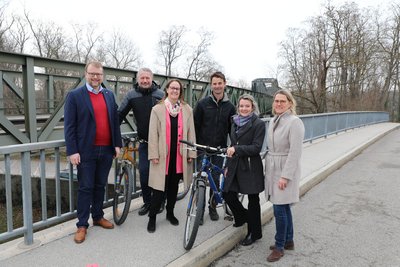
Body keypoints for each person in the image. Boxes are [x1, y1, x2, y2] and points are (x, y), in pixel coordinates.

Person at [64, 61, 122, 244]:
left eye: (98, 74)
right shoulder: (75, 96)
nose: (95, 77)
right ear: (86, 74)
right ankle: (82, 224)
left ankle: (97, 216)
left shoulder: (109, 95)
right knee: (85, 187)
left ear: (102, 76)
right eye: (92, 74)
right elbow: (69, 126)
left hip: (106, 149)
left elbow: (115, 122)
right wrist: (72, 150)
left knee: (100, 185)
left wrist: (117, 144)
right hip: (86, 151)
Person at [146, 79, 196, 233]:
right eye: (172, 88)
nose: (175, 91)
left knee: (174, 187)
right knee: (159, 189)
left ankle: (170, 213)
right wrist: (153, 154)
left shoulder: (187, 109)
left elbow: (191, 132)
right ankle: (152, 217)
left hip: (179, 155)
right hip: (162, 156)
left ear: (180, 92)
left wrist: (191, 153)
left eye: (178, 89)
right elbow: (152, 134)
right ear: (167, 89)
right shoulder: (157, 109)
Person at [265, 89, 305, 262]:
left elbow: (295, 152)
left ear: (290, 103)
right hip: (273, 166)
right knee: (284, 207)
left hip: (284, 169)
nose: (279, 104)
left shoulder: (295, 122)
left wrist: (285, 176)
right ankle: (289, 240)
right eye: (276, 101)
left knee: (279, 208)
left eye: (283, 101)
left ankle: (279, 246)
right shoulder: (274, 120)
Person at [118, 68, 164, 216]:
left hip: (161, 143)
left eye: (147, 78)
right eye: (142, 78)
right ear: (138, 80)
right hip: (144, 143)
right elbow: (119, 114)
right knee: (144, 173)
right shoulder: (132, 95)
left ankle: (160, 202)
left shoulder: (161, 95)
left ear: (152, 79)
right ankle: (147, 203)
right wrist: (112, 134)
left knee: (159, 175)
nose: (144, 81)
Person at [193, 71, 236, 223]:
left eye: (220, 83)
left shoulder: (230, 107)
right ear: (211, 86)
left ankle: (212, 208)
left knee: (215, 180)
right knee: (200, 180)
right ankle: (199, 211)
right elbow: (194, 126)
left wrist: (233, 147)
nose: (217, 86)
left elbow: (233, 130)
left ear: (224, 84)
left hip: (219, 149)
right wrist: (195, 146)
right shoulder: (202, 104)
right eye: (214, 83)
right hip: (202, 149)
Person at [224, 94, 265, 246]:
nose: (244, 108)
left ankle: (254, 233)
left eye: (247, 106)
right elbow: (232, 143)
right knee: (227, 193)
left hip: (250, 166)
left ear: (252, 107)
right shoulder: (234, 121)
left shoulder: (258, 124)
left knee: (253, 200)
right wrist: (227, 162)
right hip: (234, 164)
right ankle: (243, 218)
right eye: (241, 106)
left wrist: (236, 148)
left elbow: (256, 147)